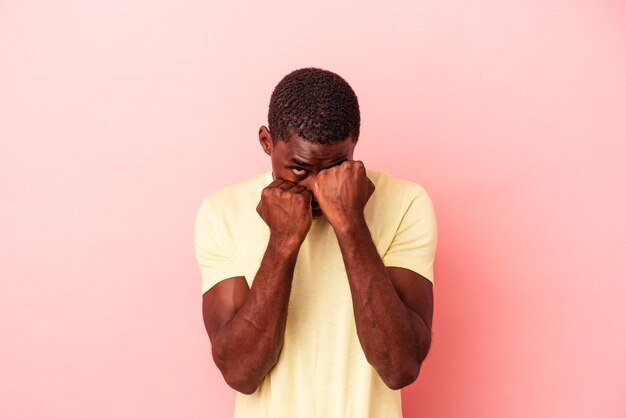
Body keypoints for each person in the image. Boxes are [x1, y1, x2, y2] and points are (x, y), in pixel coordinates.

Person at [194, 67, 437, 418]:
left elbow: (400, 367)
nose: (318, 189)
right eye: (300, 169)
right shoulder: (221, 213)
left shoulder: (406, 203)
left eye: (336, 166)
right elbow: (240, 372)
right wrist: (282, 241)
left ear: (355, 145)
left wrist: (351, 224)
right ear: (266, 142)